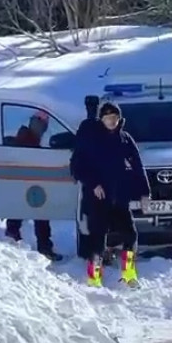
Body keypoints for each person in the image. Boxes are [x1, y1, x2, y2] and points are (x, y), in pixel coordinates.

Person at [72, 101, 150, 287]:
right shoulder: (92, 139)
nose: (111, 121)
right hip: (98, 199)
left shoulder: (125, 139)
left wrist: (144, 193)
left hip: (119, 199)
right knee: (97, 240)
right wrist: (93, 184)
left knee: (130, 236)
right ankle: (94, 278)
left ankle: (129, 274)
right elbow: (77, 166)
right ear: (102, 119)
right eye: (108, 118)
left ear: (119, 119)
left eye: (114, 117)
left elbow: (138, 167)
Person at [4, 110, 63, 261]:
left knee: (33, 211)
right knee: (39, 211)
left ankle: (15, 240)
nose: (41, 128)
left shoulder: (32, 137)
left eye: (43, 126)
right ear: (32, 123)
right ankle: (39, 247)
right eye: (38, 124)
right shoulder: (26, 137)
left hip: (30, 180)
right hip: (25, 180)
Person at [71, 95, 103, 260]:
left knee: (93, 233)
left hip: (93, 187)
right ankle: (127, 271)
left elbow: (77, 158)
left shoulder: (85, 128)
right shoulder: (106, 128)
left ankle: (95, 267)